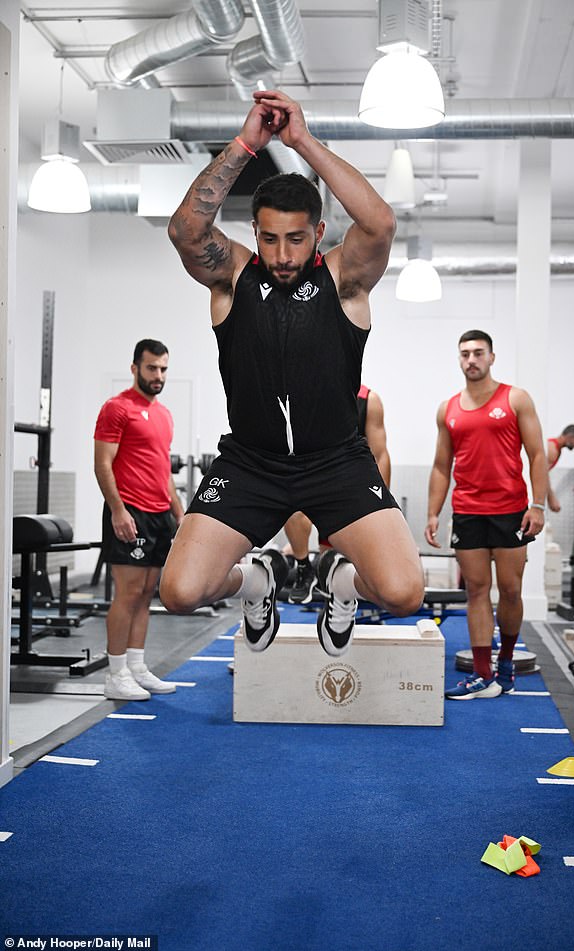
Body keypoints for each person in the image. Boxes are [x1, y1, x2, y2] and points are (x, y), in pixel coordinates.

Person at [160, 88, 424, 657]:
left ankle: (340, 582)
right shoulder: (232, 277)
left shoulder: (344, 280)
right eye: (269, 238)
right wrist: (246, 145)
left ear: (319, 231)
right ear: (254, 232)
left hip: (335, 460)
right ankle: (259, 581)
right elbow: (185, 231)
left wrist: (300, 140)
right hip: (251, 462)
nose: (282, 254)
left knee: (404, 593)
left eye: (297, 239)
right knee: (180, 591)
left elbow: (379, 223)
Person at [424, 330, 548, 699]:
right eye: (465, 354)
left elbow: (537, 454)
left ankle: (505, 662)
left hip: (511, 511)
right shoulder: (448, 409)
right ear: (459, 359)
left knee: (510, 590)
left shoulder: (516, 399)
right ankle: (482, 675)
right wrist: (433, 513)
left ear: (492, 357)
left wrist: (537, 505)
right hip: (468, 511)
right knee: (476, 591)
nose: (471, 360)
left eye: (478, 353)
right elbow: (441, 466)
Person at [94, 339, 184, 701]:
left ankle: (136, 666)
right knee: (128, 593)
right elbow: (103, 464)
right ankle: (116, 674)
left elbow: (163, 471)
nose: (158, 375)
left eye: (163, 369)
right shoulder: (117, 409)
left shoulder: (163, 414)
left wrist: (180, 514)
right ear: (135, 369)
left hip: (160, 514)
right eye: (151, 368)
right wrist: (118, 510)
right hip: (130, 511)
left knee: (147, 594)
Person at [283, 384, 392, 603]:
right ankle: (304, 567)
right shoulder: (303, 395)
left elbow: (380, 455)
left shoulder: (368, 401)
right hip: (313, 480)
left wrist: (382, 508)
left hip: (350, 488)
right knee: (290, 506)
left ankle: (334, 590)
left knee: (333, 567)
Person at [546, 424, 574, 511]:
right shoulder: (552, 449)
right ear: (570, 437)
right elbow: (541, 474)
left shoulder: (555, 448)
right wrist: (551, 498)